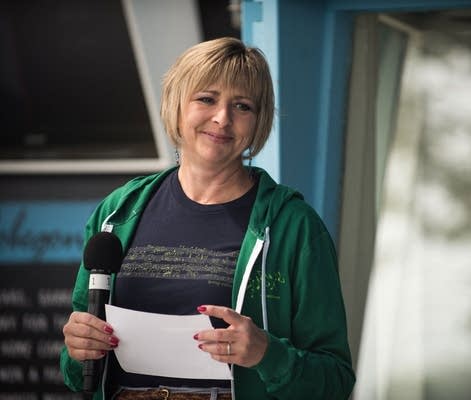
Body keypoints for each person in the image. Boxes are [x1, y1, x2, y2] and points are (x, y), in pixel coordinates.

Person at [60, 37, 355, 399]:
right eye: (206, 98)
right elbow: (77, 372)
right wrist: (78, 352)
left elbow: (336, 381)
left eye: (242, 106)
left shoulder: (294, 226)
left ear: (258, 121)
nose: (222, 118)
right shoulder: (117, 211)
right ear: (177, 105)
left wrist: (267, 354)